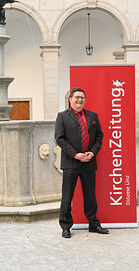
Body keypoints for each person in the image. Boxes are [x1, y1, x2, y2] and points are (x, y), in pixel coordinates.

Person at [55, 87, 109, 238]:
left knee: (90, 195)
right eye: (77, 97)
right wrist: (76, 155)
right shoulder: (62, 116)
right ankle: (65, 226)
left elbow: (99, 136)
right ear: (70, 99)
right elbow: (60, 138)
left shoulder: (93, 116)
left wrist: (93, 152)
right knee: (67, 196)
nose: (80, 100)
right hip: (71, 162)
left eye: (82, 98)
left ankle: (93, 224)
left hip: (89, 162)